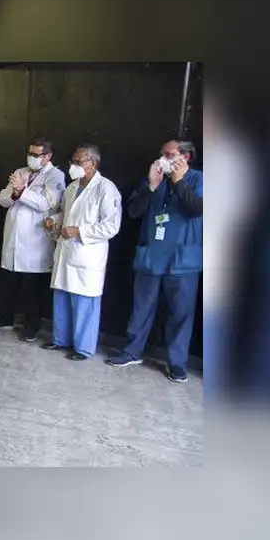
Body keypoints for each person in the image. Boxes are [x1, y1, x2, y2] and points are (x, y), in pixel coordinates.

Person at [106, 140, 203, 383]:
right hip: (151, 257)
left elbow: (197, 208)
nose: (162, 159)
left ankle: (177, 363)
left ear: (185, 157)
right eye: (161, 154)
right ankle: (132, 351)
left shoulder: (199, 179)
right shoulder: (155, 178)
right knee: (141, 308)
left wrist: (179, 182)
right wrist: (150, 186)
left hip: (182, 261)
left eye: (169, 155)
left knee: (180, 314)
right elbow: (133, 212)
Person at [42, 144, 122, 361]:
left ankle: (83, 348)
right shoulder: (71, 188)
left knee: (84, 302)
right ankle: (61, 340)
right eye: (73, 161)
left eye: (79, 162)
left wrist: (79, 231)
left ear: (93, 164)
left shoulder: (106, 189)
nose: (73, 166)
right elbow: (66, 215)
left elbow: (111, 226)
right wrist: (53, 221)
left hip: (88, 254)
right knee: (62, 297)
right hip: (67, 251)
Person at [0, 137, 66, 340]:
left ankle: (32, 326)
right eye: (30, 153)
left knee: (32, 291)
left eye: (36, 155)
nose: (32, 158)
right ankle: (4, 318)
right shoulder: (21, 172)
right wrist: (14, 193)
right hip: (12, 241)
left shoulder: (56, 176)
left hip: (35, 243)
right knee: (6, 285)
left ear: (48, 156)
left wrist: (22, 191)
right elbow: (2, 198)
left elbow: (46, 203)